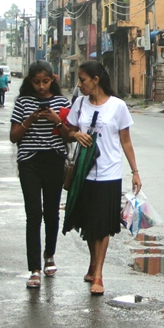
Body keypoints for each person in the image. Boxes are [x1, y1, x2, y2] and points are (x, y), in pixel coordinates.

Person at [64, 61, 142, 296]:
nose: (80, 85)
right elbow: (66, 130)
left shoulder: (118, 106)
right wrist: (76, 134)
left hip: (109, 173)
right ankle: (92, 264)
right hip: (84, 172)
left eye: (83, 80)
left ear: (95, 80)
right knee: (89, 224)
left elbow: (126, 140)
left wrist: (135, 172)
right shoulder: (79, 104)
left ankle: (98, 274)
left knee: (102, 225)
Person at [9, 60, 71, 289]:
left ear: (52, 80)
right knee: (33, 214)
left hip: (55, 160)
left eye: (45, 81)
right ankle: (34, 268)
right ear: (30, 82)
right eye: (36, 82)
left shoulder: (62, 102)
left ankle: (50, 256)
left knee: (52, 212)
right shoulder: (23, 102)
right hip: (29, 162)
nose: (41, 87)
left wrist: (57, 120)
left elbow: (69, 135)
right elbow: (14, 137)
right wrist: (29, 120)